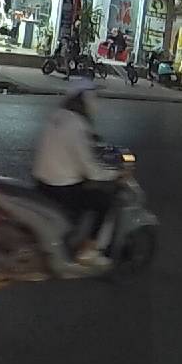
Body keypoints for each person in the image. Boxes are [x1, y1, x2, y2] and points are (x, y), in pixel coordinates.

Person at [32, 81, 122, 266]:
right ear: (85, 99)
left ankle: (73, 236)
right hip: (62, 189)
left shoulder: (57, 116)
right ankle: (88, 251)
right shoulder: (77, 124)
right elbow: (91, 170)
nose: (96, 102)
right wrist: (114, 174)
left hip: (41, 182)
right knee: (104, 202)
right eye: (94, 97)